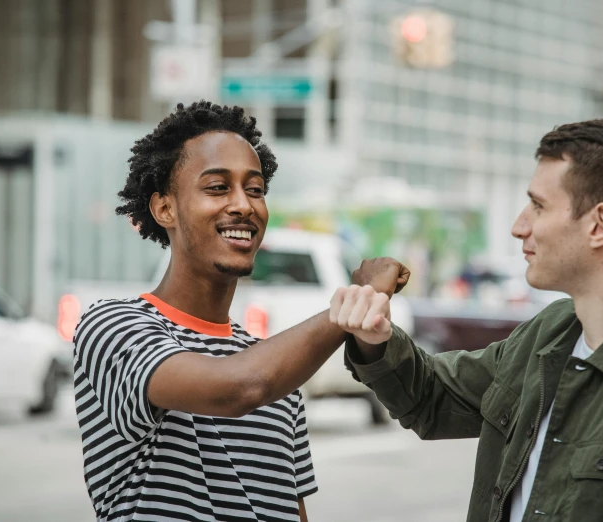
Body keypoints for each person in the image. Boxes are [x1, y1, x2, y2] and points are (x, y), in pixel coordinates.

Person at [331, 117, 603, 522]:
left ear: (600, 225)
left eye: (538, 206)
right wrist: (374, 336)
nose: (518, 227)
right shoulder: (549, 334)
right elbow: (432, 399)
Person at [72, 101, 409, 522]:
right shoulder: (114, 325)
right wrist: (352, 303)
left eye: (256, 190)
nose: (244, 205)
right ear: (164, 209)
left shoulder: (279, 372)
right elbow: (239, 389)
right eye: (217, 187)